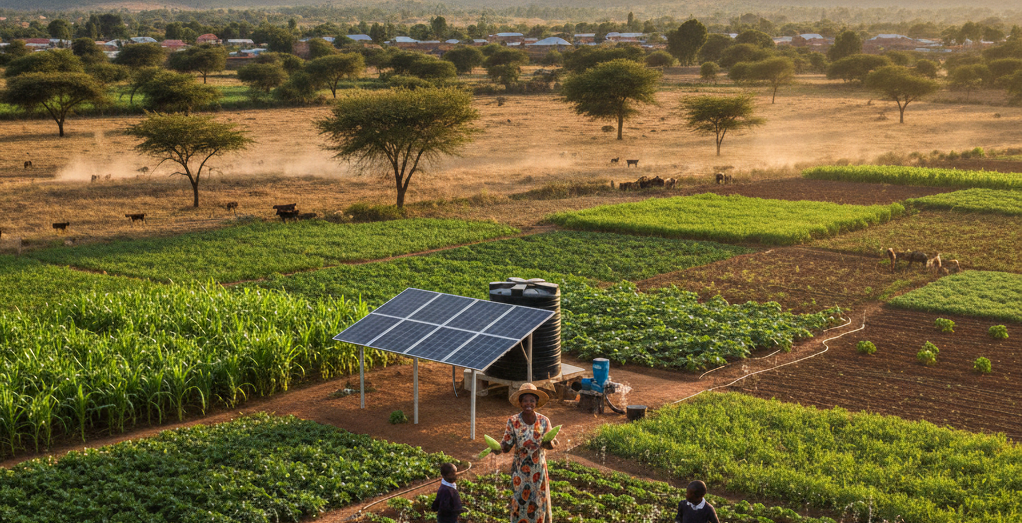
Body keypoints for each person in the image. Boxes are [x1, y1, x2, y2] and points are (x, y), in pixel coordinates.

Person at [500, 383, 558, 523]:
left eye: (532, 400)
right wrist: (498, 448)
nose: (528, 403)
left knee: (538, 501)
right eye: (525, 400)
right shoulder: (513, 421)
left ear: (536, 402)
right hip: (520, 471)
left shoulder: (544, 421)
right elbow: (507, 444)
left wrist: (548, 444)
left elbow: (553, 443)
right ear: (520, 403)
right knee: (519, 502)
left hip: (538, 470)